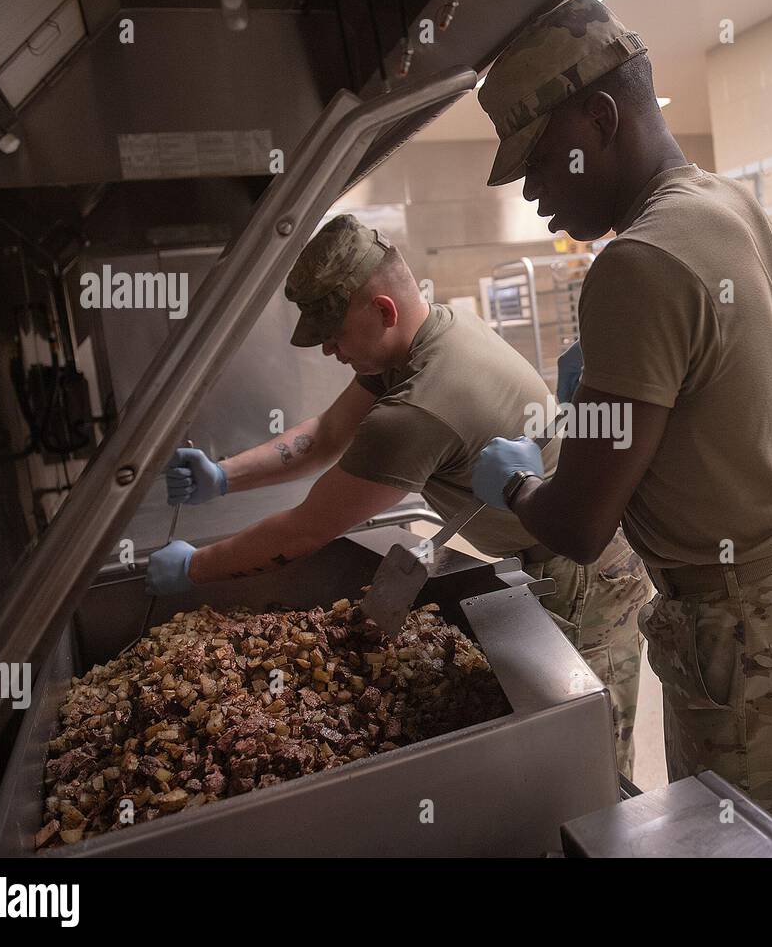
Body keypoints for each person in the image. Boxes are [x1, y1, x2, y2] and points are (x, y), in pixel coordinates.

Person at [470, 0, 772, 857]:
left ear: (600, 116)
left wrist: (511, 482)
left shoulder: (637, 261)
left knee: (749, 845)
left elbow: (580, 526)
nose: (536, 194)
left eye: (540, 162)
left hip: (750, 631)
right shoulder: (726, 205)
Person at [147, 215, 650, 779]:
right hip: (554, 552)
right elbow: (327, 436)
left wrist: (196, 567)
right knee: (563, 742)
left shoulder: (420, 406)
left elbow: (305, 531)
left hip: (584, 575)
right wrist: (222, 475)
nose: (329, 350)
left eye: (334, 335)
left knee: (587, 750)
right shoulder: (426, 336)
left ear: (384, 311)